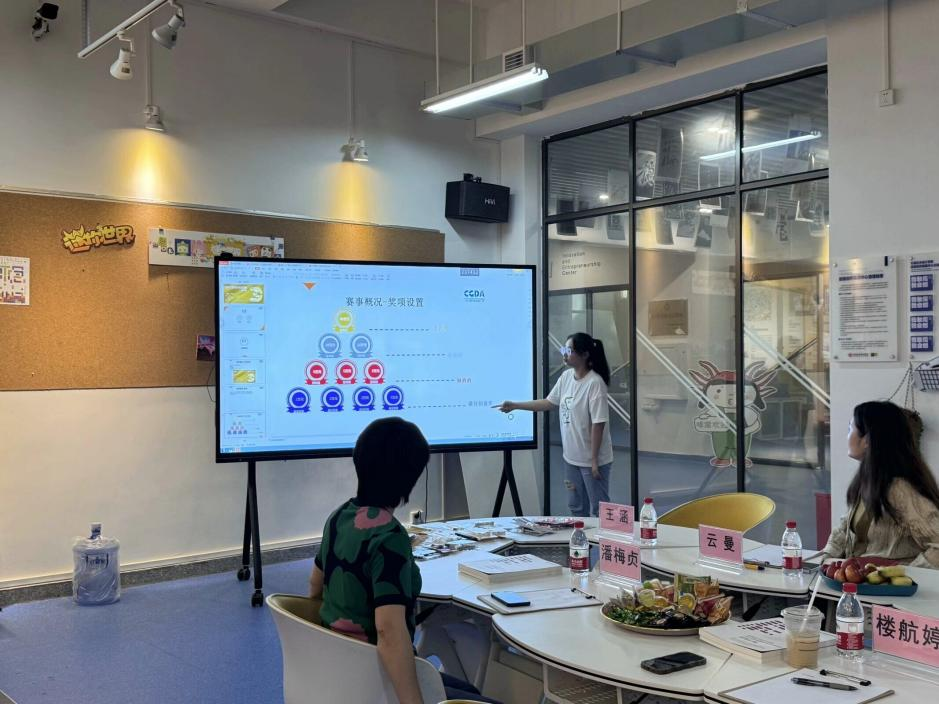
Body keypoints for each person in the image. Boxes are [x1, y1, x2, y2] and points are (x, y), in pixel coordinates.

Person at [308, 417, 498, 704]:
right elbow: (389, 633)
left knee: (468, 692)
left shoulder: (338, 517)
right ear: (408, 478)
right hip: (374, 675)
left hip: (337, 669)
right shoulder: (389, 536)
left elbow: (314, 587)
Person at [499, 332, 613, 517]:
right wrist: (516, 405)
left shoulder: (595, 383)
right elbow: (549, 402)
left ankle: (603, 538)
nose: (564, 354)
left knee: (599, 509)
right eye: (563, 349)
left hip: (593, 461)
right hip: (571, 458)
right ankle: (580, 536)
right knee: (576, 506)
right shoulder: (566, 377)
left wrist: (594, 461)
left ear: (584, 355)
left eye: (569, 350)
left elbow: (598, 424)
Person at [823, 401, 939, 569]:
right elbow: (844, 530)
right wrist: (825, 560)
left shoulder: (900, 489)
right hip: (859, 579)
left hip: (887, 585)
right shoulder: (869, 481)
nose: (847, 436)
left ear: (867, 440)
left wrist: (902, 574)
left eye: (850, 429)